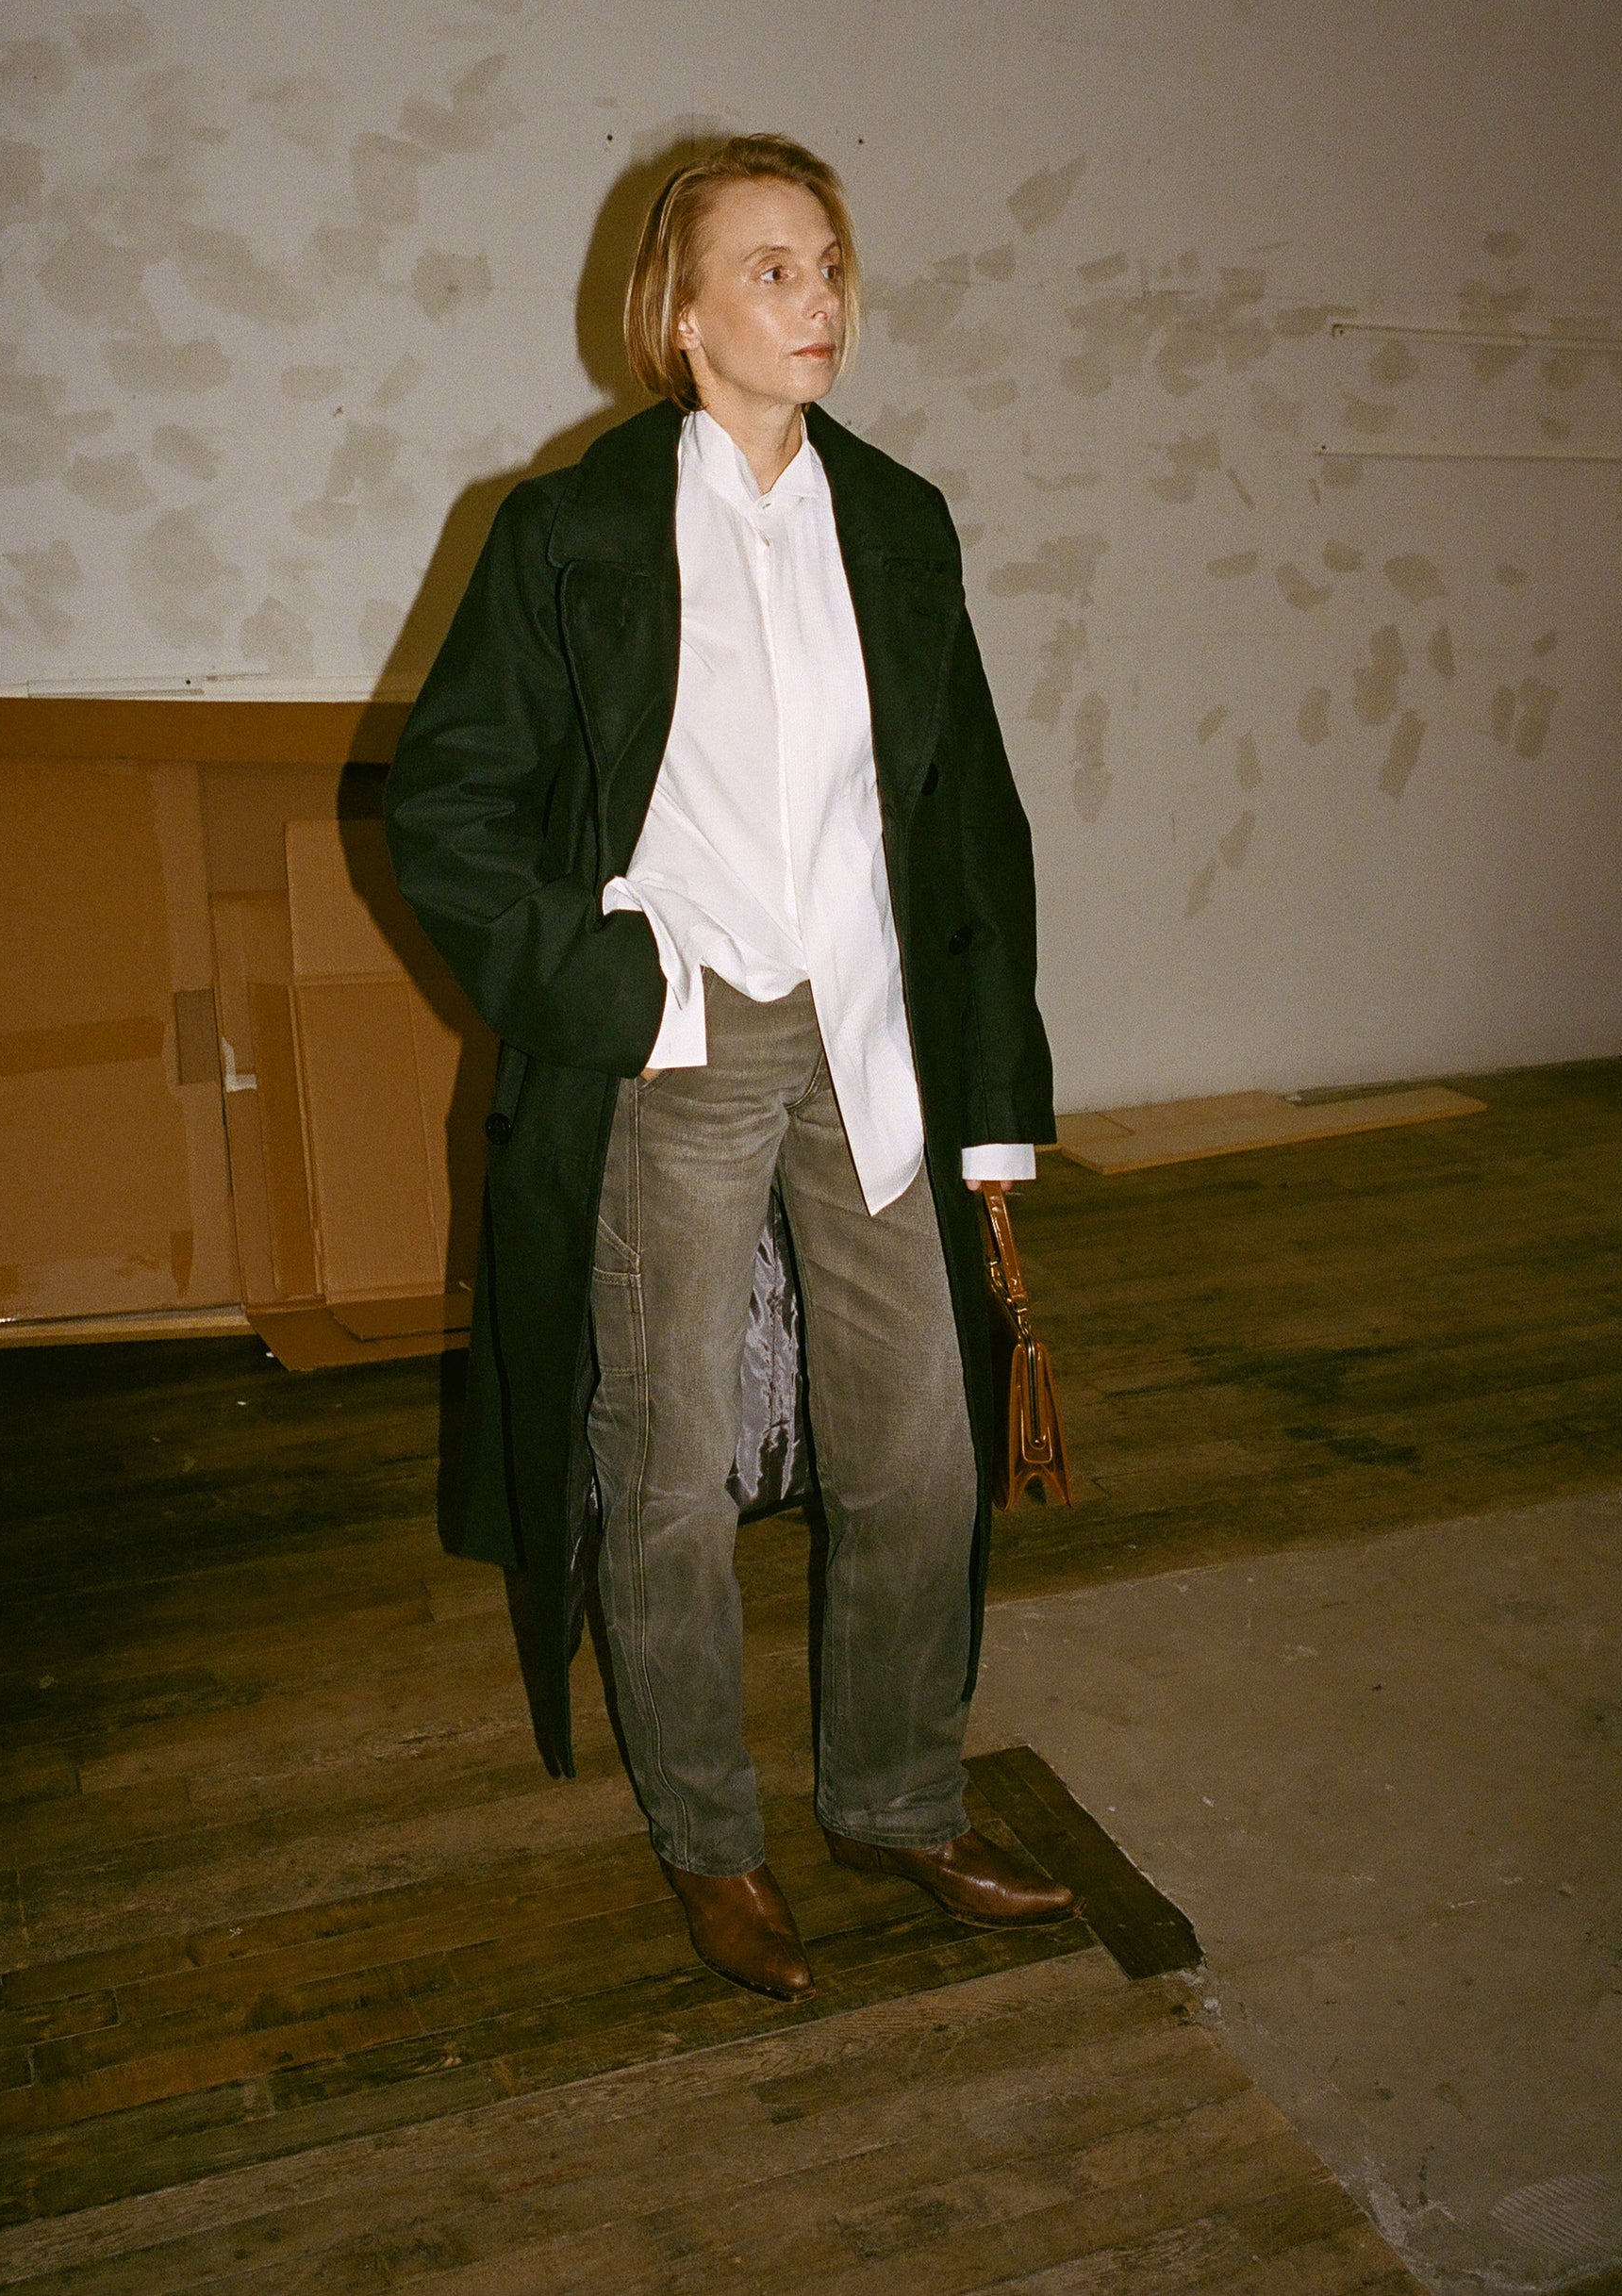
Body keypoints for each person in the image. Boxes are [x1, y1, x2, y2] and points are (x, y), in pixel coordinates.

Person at [385, 133, 1071, 1998]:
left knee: (917, 1450)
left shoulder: (898, 521)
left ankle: (896, 1800)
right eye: (770, 269)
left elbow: (966, 823)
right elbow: (447, 806)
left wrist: (993, 1103)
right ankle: (712, 1840)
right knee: (667, 1464)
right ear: (678, 316)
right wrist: (611, 984)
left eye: (828, 262)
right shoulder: (571, 531)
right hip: (677, 1036)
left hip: (866, 1032)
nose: (817, 297)